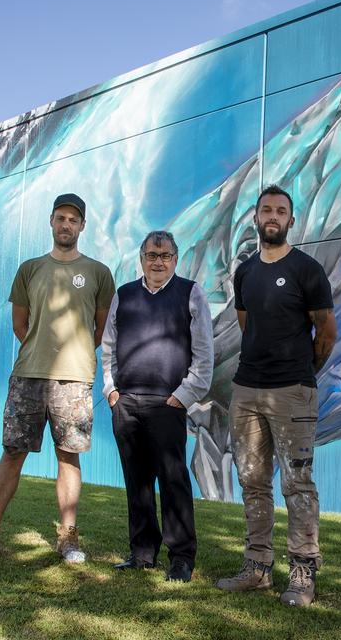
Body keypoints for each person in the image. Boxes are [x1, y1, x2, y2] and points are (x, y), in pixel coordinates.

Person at [0, 193, 115, 565]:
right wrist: (41, 349)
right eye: (60, 217)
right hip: (28, 374)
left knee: (68, 455)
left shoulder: (98, 272)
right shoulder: (29, 269)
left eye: (73, 220)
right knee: (13, 453)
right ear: (51, 221)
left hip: (74, 379)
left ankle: (68, 538)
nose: (66, 224)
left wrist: (73, 355)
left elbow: (101, 328)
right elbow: (20, 324)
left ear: (82, 226)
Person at [215, 184, 337, 607]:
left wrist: (301, 373)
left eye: (280, 211)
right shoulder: (246, 272)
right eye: (266, 209)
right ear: (256, 218)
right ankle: (257, 568)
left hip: (293, 392)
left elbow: (326, 333)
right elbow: (248, 326)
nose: (273, 216)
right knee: (252, 481)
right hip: (247, 391)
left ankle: (303, 573)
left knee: (297, 483)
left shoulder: (307, 270)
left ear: (291, 220)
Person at [101, 230, 213, 583]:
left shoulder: (191, 293)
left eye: (165, 256)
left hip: (168, 402)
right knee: (138, 482)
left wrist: (183, 395)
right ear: (142, 258)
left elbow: (205, 354)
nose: (158, 261)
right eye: (152, 255)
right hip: (127, 402)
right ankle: (142, 553)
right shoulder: (125, 295)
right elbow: (108, 347)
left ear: (176, 259)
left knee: (173, 481)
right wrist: (111, 391)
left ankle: (181, 558)